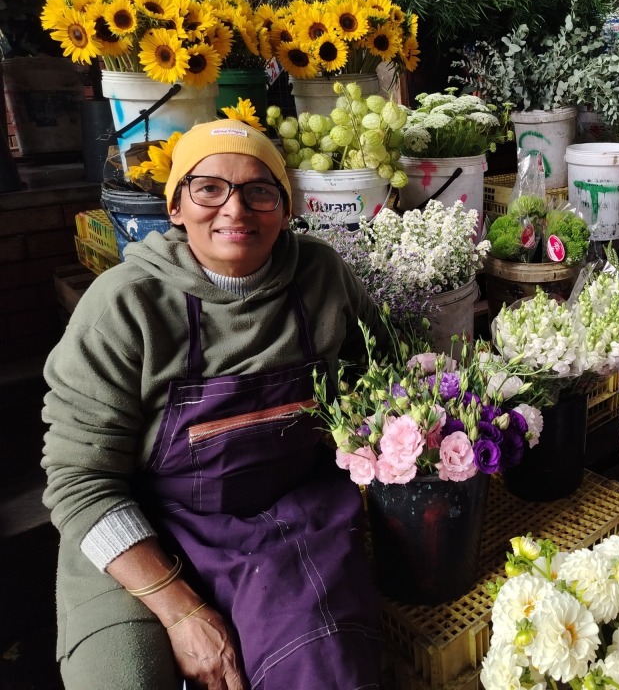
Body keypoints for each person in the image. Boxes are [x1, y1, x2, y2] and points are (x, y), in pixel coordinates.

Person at [41, 120, 383, 689]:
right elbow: (79, 480)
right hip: (142, 523)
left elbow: (379, 374)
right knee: (125, 678)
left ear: (285, 207)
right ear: (175, 207)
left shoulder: (321, 277)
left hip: (282, 516)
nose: (236, 210)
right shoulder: (125, 306)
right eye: (209, 189)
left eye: (260, 191)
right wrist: (180, 610)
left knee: (322, 669)